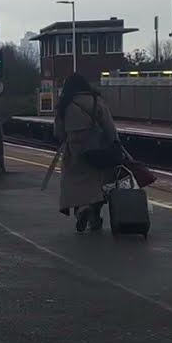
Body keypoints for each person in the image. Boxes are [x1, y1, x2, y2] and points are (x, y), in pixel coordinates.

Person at [53, 72, 119, 232]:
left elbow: (58, 132)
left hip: (74, 151)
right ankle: (93, 213)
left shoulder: (64, 104)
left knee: (74, 184)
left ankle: (81, 209)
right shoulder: (96, 100)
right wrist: (115, 143)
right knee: (97, 185)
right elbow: (109, 126)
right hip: (96, 149)